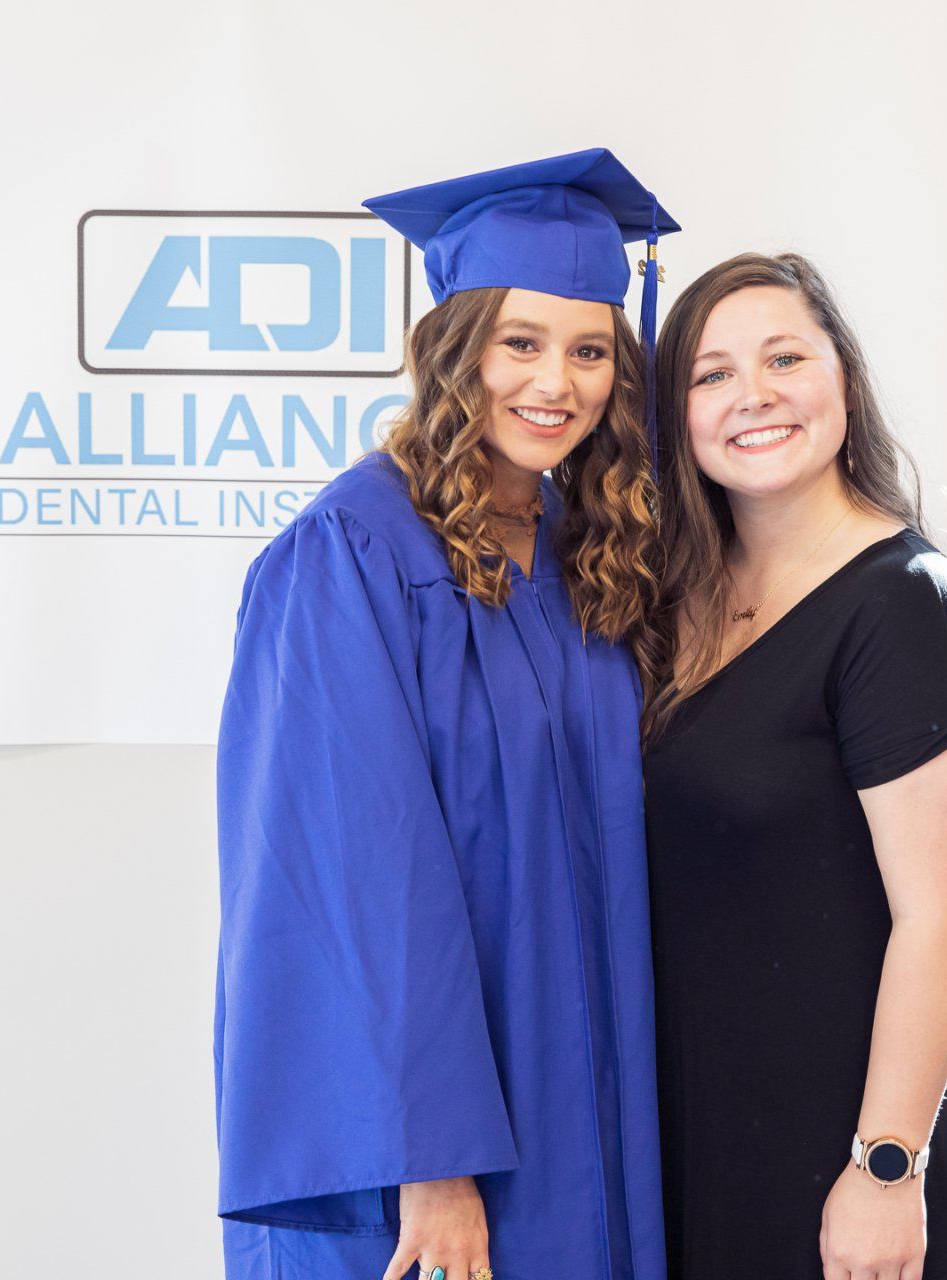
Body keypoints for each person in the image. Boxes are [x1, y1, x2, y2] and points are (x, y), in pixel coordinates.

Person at [214, 149, 676, 1280]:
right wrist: (429, 1156)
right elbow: (350, 873)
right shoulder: (353, 553)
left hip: (586, 1107)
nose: (554, 383)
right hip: (436, 1142)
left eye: (588, 350)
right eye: (519, 343)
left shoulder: (589, 554)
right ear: (454, 351)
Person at [641, 252, 947, 1280]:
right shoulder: (677, 602)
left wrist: (886, 1165)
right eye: (710, 374)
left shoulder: (908, 606)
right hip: (712, 1135)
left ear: (842, 378)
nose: (750, 394)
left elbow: (944, 915)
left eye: (784, 357)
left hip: (844, 1147)